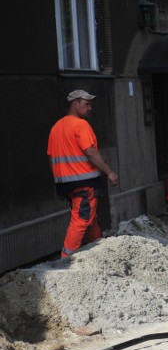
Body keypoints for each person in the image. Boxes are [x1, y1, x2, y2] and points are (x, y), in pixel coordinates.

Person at [47, 89, 119, 258]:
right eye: (86, 104)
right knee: (81, 220)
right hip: (85, 183)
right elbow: (91, 152)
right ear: (75, 104)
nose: (90, 108)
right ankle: (65, 259)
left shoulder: (56, 128)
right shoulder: (81, 125)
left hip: (66, 185)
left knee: (88, 217)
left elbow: (51, 158)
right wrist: (109, 172)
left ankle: (98, 249)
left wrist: (57, 182)